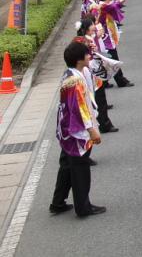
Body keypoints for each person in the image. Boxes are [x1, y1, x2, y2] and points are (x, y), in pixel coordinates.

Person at [50, 41, 106, 217]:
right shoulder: (75, 81)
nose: (89, 56)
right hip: (75, 130)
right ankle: (83, 207)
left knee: (67, 164)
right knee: (80, 168)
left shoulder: (71, 74)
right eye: (87, 54)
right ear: (79, 59)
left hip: (65, 129)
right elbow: (80, 108)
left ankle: (58, 202)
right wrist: (92, 129)